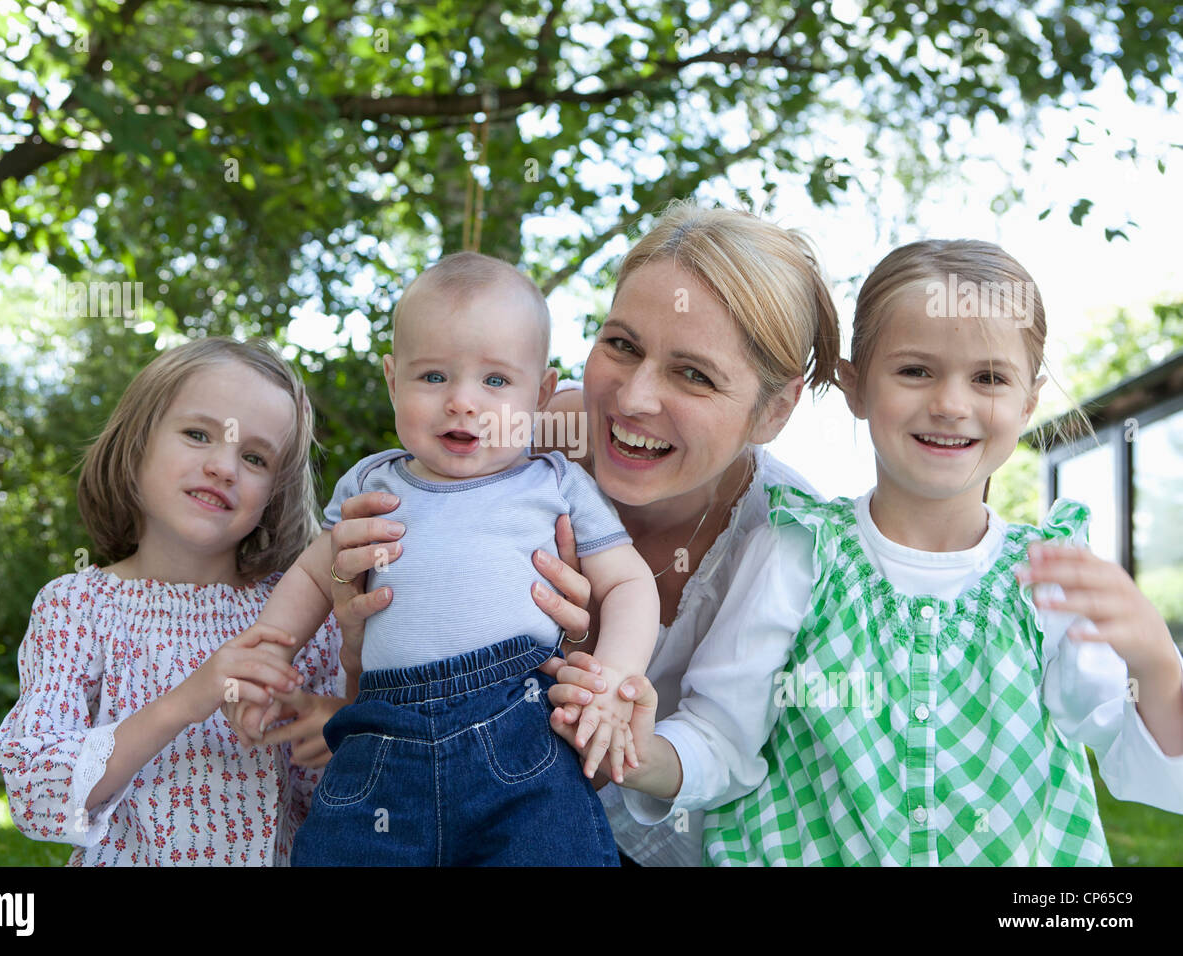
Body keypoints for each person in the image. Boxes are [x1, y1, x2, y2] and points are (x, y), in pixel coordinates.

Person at [591, 239, 1183, 864]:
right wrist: (641, 754)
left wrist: (1156, 661)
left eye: (988, 377)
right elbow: (724, 739)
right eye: (915, 370)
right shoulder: (797, 552)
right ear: (854, 386)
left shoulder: (1053, 576)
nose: (951, 404)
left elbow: (1136, 759)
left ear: (1028, 402)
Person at [311, 202, 842, 865]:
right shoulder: (510, 439)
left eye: (693, 374)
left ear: (774, 409)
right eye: (621, 344)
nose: (635, 398)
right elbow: (402, 649)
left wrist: (606, 727)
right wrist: (353, 629)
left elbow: (726, 748)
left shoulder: (790, 538)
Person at [231, 251, 659, 866]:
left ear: (540, 394)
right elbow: (312, 571)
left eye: (495, 381)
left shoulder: (553, 483)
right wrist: (272, 644)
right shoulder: (371, 484)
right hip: (381, 738)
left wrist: (613, 679)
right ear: (392, 380)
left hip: (519, 727)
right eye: (433, 377)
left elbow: (628, 583)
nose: (462, 402)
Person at [0, 338, 343, 865]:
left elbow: (345, 797)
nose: (224, 467)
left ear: (276, 492)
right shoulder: (77, 607)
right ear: (136, 445)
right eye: (198, 434)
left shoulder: (305, 614)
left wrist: (337, 727)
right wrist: (188, 699)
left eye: (254, 457)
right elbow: (36, 790)